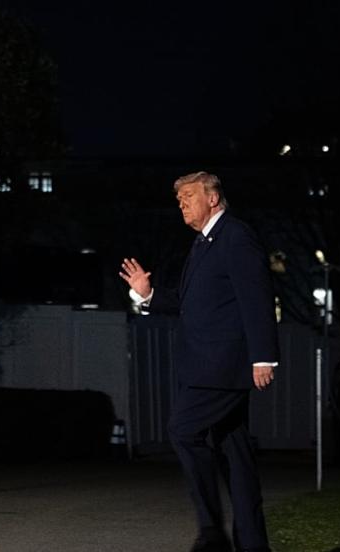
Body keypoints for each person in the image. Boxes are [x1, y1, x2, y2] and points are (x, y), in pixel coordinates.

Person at [119, 171, 279, 552]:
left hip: (223, 368)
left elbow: (257, 296)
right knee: (236, 457)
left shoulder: (236, 236)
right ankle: (253, 546)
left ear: (212, 198)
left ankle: (211, 532)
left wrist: (264, 357)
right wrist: (148, 294)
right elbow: (188, 303)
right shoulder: (203, 243)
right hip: (208, 365)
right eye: (178, 199)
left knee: (182, 430)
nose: (182, 204)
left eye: (188, 196)